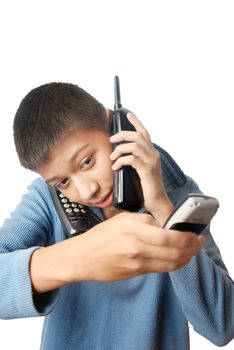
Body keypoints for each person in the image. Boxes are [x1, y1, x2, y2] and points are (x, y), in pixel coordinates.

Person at [0, 82, 233, 350]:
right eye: (63, 182)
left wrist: (160, 206)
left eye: (87, 162)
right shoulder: (47, 200)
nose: (87, 190)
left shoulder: (178, 197)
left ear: (115, 127)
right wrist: (78, 257)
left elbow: (222, 326)